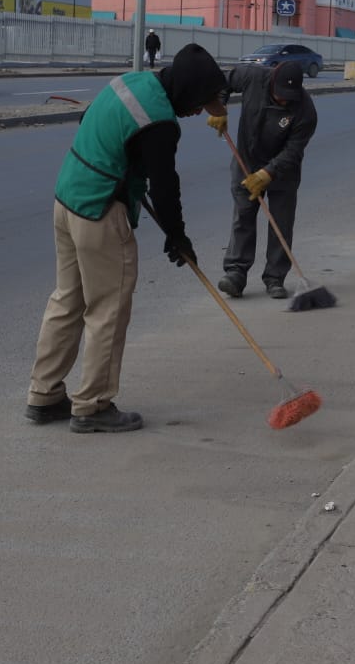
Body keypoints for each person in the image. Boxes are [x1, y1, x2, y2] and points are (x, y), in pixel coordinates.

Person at [25, 43, 230, 432]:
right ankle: (93, 406)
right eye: (198, 104)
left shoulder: (131, 83)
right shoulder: (160, 122)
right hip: (100, 210)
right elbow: (165, 186)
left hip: (67, 199)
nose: (196, 112)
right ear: (187, 90)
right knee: (109, 308)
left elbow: (89, 119)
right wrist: (178, 237)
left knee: (67, 299)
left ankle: (44, 395)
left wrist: (128, 161)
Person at [218, 60, 319, 300]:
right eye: (279, 95)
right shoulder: (252, 77)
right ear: (272, 81)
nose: (283, 101)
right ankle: (235, 273)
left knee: (281, 223)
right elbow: (221, 81)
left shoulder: (306, 111)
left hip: (283, 171)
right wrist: (218, 107)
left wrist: (267, 173)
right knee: (243, 216)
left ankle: (275, 278)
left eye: (288, 98)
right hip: (247, 161)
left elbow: (293, 151)